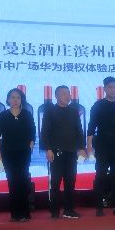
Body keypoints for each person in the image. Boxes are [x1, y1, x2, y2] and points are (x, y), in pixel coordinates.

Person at [40, 84, 87, 219]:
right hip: (56, 152)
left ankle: (69, 210)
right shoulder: (50, 111)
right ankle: (54, 210)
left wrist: (81, 148)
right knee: (55, 182)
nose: (68, 96)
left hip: (71, 151)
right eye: (64, 93)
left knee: (70, 181)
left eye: (68, 93)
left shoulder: (73, 111)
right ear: (56, 96)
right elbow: (45, 132)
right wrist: (48, 149)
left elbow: (79, 130)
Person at [87, 75, 115, 216]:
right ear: (105, 89)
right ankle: (99, 207)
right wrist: (89, 146)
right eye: (110, 87)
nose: (113, 89)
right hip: (102, 145)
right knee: (100, 175)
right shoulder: (98, 105)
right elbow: (91, 127)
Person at [0, 87, 36, 222]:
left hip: (24, 153)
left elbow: (32, 132)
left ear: (21, 99)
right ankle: (15, 214)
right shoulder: (3, 115)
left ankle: (25, 213)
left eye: (18, 97)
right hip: (8, 153)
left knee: (23, 181)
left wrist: (31, 144)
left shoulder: (27, 114)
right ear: (8, 99)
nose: (15, 100)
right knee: (12, 182)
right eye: (12, 97)